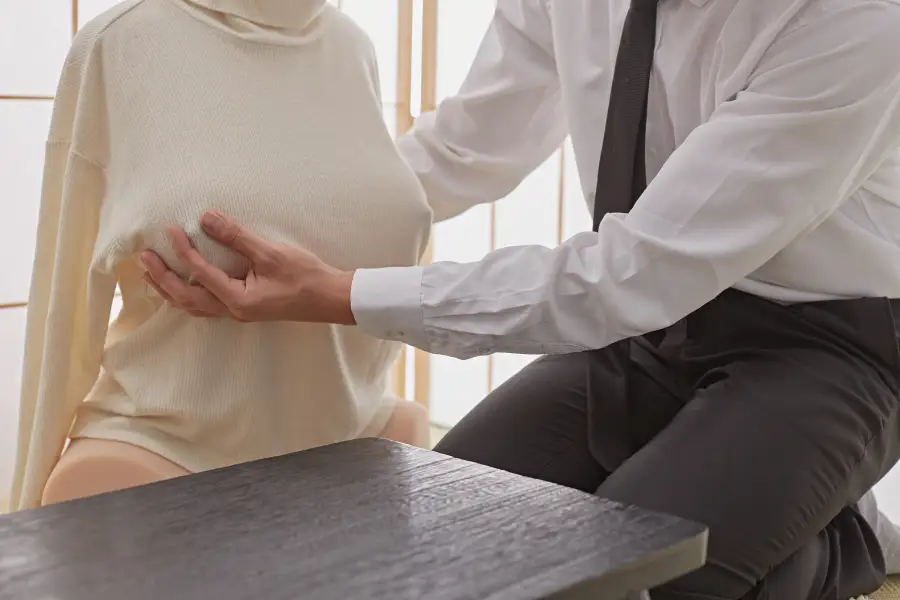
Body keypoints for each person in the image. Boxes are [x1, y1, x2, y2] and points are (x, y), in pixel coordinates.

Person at [142, 0, 900, 598]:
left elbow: (631, 274)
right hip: (646, 328)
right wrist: (286, 230)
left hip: (826, 345)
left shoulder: (854, 19)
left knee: (636, 575)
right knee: (455, 536)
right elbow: (465, 147)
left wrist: (343, 293)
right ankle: (765, 484)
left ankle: (849, 539)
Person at [10, 0, 431, 511]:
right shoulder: (120, 43)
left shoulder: (352, 47)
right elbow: (65, 304)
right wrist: (24, 531)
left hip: (359, 456)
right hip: (160, 468)